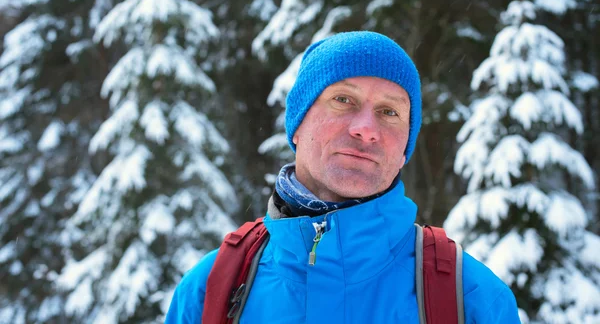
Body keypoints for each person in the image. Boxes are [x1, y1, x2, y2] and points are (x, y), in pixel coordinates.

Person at [165, 31, 521, 323]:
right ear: (298, 125)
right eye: (343, 100)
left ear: (403, 152)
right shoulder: (212, 288)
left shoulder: (470, 299)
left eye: (389, 111)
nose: (366, 129)